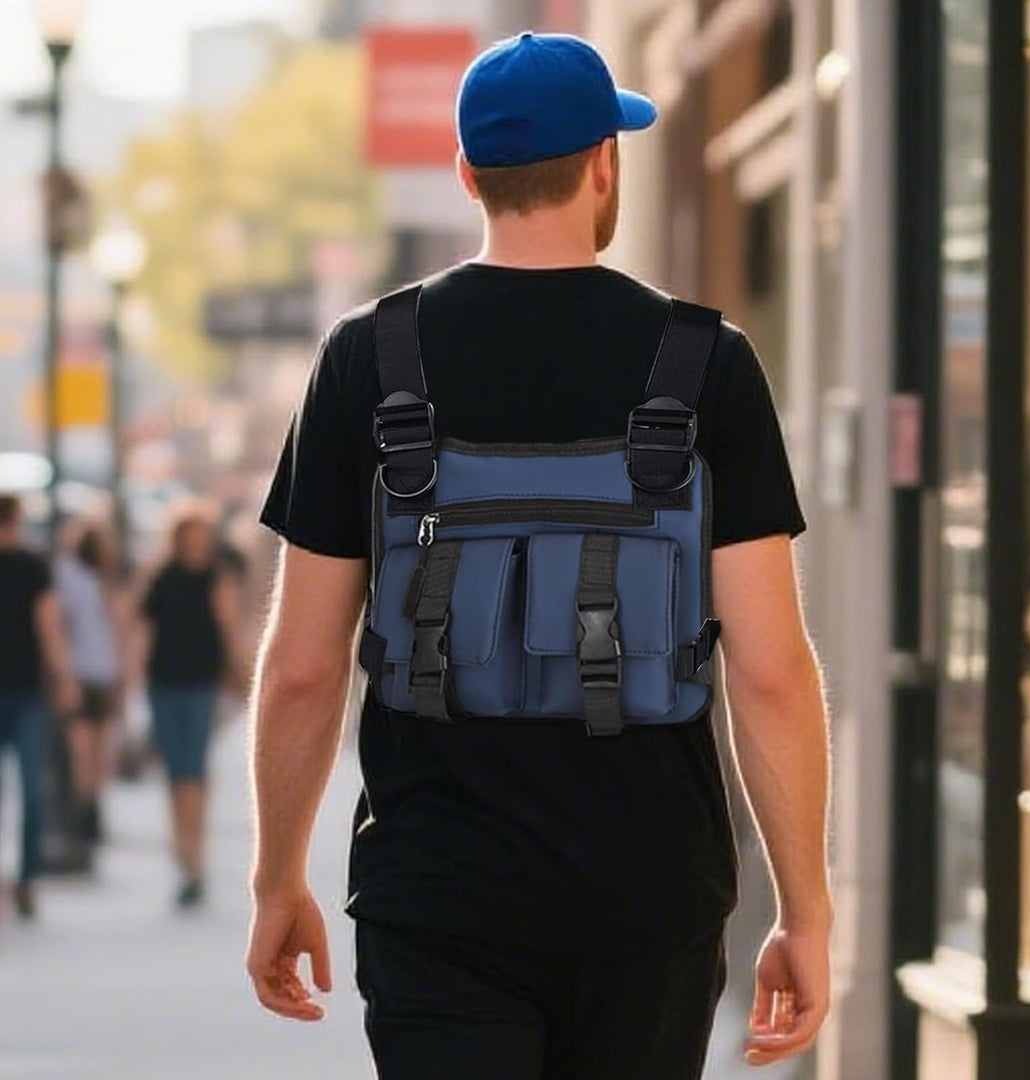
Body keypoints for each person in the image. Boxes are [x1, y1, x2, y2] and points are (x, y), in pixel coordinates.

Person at [248, 32, 832, 1078]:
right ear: (604, 162)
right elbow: (773, 671)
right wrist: (806, 908)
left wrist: (276, 879)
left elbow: (301, 665)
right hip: (649, 899)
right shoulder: (707, 363)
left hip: (437, 900)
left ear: (469, 174)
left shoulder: (368, 358)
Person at [137, 502, 243, 908]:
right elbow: (142, 631)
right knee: (174, 772)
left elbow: (228, 628)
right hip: (163, 684)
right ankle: (183, 854)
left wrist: (241, 675)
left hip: (201, 685)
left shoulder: (217, 577)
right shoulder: (160, 578)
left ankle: (194, 859)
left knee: (194, 772)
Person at [0, 494, 79, 918]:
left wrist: (63, 678)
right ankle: (25, 879)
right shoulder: (34, 566)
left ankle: (26, 879)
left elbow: (48, 625)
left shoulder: (33, 567)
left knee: (32, 790)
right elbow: (50, 628)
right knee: (32, 789)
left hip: (28, 692)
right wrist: (64, 679)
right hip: (28, 692)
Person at [55, 522, 123, 844]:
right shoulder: (96, 582)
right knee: (92, 751)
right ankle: (90, 812)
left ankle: (87, 812)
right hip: (95, 673)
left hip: (87, 672)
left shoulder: (71, 578)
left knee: (87, 751)